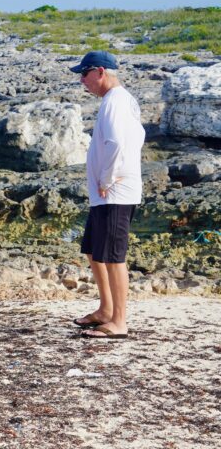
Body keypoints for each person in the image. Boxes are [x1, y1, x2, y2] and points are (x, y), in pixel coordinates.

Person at [69, 51, 145, 339]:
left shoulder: (115, 101)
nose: (81, 80)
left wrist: (108, 177)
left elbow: (115, 142)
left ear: (100, 71)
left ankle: (119, 322)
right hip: (105, 194)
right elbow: (136, 137)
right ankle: (105, 310)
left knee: (114, 257)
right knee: (92, 250)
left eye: (84, 73)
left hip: (115, 192)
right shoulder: (118, 101)